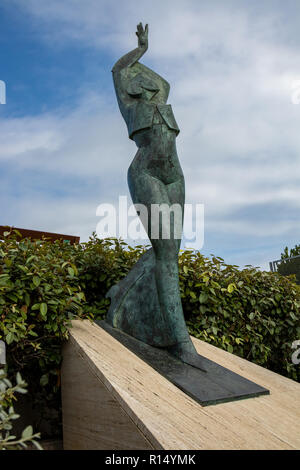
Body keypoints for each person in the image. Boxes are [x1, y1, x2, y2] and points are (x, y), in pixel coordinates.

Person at [112, 23, 205, 369]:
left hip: (174, 176)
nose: (144, 82)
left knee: (169, 254)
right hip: (146, 173)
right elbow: (119, 69)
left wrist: (146, 75)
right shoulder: (127, 105)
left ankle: (122, 296)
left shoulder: (161, 97)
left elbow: (163, 83)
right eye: (137, 80)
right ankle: (182, 343)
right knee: (166, 254)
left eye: (146, 79)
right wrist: (141, 50)